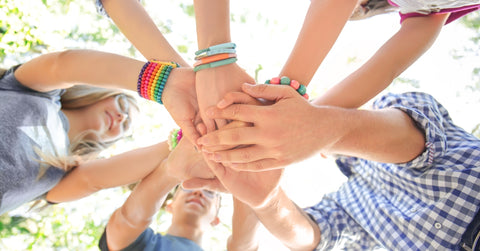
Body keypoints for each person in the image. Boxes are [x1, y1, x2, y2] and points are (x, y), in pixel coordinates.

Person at [186, 87, 480, 250]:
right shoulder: (350, 201)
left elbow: (414, 144)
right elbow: (314, 237)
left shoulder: (396, 107)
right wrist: (266, 201)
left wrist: (324, 127)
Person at [0, 48, 203, 214]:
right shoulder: (39, 93)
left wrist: (190, 137)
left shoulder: (64, 172)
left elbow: (95, 181)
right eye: (122, 105)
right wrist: (164, 83)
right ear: (104, 94)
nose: (121, 117)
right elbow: (62, 65)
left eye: (125, 126)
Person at [98, 127, 260, 251]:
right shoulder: (147, 244)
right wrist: (172, 171)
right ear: (170, 205)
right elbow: (126, 223)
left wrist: (243, 169)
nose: (198, 192)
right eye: (187, 187)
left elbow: (244, 246)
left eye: (210, 193)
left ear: (216, 219)